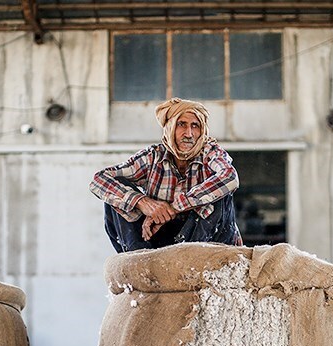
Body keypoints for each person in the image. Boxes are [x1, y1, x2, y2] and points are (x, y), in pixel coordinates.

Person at [90, 97, 242, 253]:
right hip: (156, 238)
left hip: (202, 241)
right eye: (181, 124)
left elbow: (230, 177)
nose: (189, 134)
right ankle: (139, 255)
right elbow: (98, 180)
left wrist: (174, 207)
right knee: (115, 190)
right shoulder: (152, 157)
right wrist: (144, 203)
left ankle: (192, 255)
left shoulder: (211, 152)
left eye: (195, 126)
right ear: (169, 128)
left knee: (221, 192)